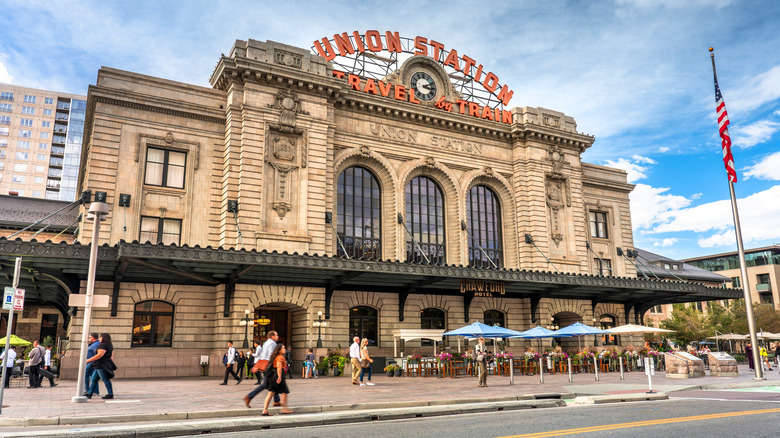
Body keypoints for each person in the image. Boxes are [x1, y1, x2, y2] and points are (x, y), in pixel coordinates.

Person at [244, 331, 280, 408]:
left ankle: (277, 400)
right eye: (276, 335)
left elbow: (262, 356)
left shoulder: (266, 343)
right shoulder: (272, 343)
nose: (278, 336)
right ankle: (249, 397)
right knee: (266, 384)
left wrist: (257, 366)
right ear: (272, 336)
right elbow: (271, 355)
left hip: (265, 364)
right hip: (270, 366)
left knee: (273, 383)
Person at [261, 344, 293, 415]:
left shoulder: (275, 357)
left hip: (274, 376)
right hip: (278, 375)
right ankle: (284, 409)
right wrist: (279, 377)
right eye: (283, 348)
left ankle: (265, 410)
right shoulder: (280, 357)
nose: (285, 349)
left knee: (272, 392)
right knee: (283, 391)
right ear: (279, 350)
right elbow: (279, 367)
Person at [84, 333, 115, 399]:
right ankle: (89, 393)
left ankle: (110, 394)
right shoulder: (109, 345)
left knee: (105, 379)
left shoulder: (103, 345)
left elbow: (100, 355)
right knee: (94, 379)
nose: (100, 338)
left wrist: (89, 360)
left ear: (103, 338)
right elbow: (111, 356)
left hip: (101, 365)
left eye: (101, 337)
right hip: (102, 364)